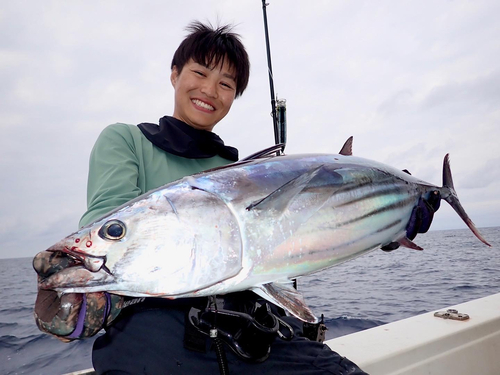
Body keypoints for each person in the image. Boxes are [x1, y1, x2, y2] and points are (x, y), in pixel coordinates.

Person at [34, 21, 437, 375]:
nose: (210, 90)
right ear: (174, 74)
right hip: (157, 332)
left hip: (247, 330)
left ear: (234, 96)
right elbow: (112, 222)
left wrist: (383, 224)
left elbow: (304, 232)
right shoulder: (126, 140)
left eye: (226, 84)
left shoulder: (242, 172)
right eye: (200, 72)